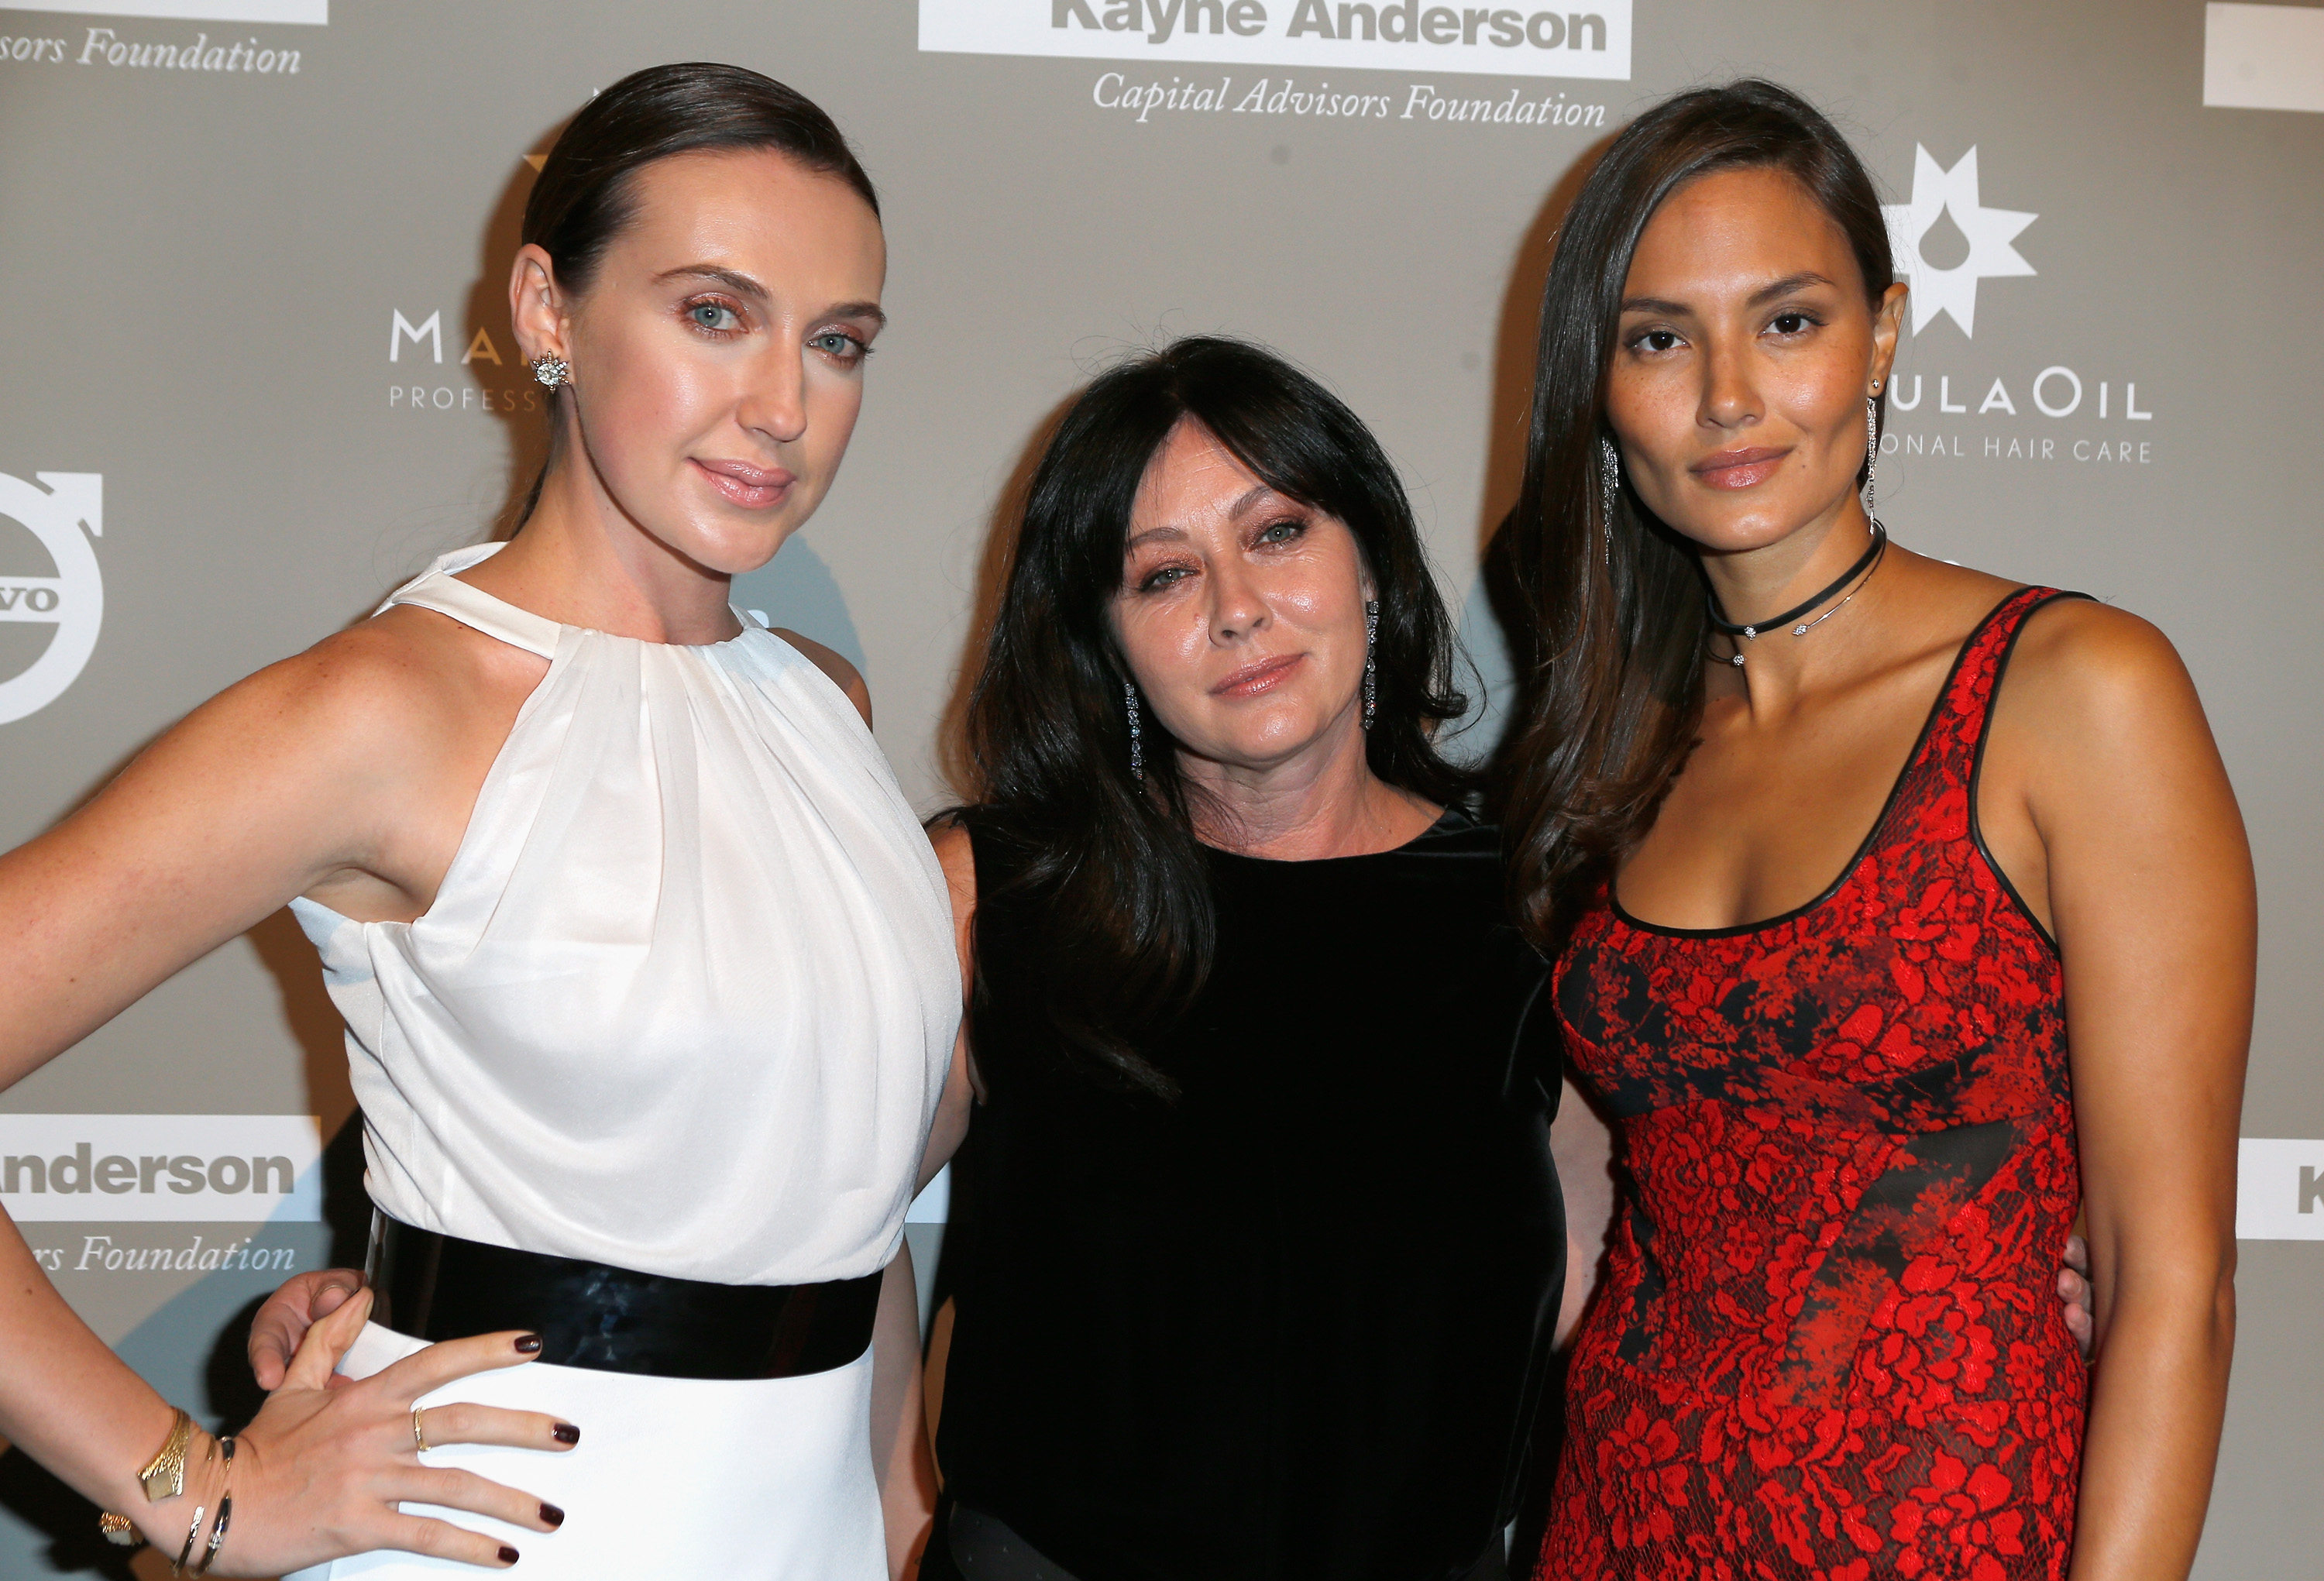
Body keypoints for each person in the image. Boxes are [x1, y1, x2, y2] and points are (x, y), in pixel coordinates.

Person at [0, 62, 956, 1579]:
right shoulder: (386, 710)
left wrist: (906, 1517)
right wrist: (193, 1495)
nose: (785, 406)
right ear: (548, 310)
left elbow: (839, 1223)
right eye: (715, 313)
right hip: (501, 1544)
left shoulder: (819, 700)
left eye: (837, 342)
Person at [1498, 81, 2250, 1579]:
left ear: (1885, 335)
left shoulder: (2072, 689)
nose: (1728, 396)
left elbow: (2179, 1288)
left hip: (1950, 1533)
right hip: (1621, 1519)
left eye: (1787, 322)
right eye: (1660, 338)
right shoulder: (1618, 741)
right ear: (1599, 381)